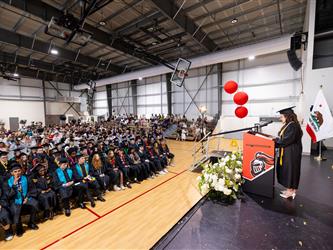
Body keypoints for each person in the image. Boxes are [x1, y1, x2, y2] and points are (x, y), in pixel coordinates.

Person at [275, 106, 303, 199]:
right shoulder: (290, 124)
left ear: (287, 116)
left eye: (281, 116)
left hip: (292, 152)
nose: (280, 118)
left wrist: (274, 142)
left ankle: (290, 191)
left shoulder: (293, 126)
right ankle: (291, 189)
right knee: (288, 170)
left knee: (291, 170)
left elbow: (286, 140)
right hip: (288, 151)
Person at [5, 163, 39, 237]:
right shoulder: (8, 182)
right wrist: (14, 184)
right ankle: (19, 228)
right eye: (15, 171)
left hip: (26, 198)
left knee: (34, 204)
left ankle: (31, 223)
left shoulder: (26, 178)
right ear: (11, 173)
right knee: (15, 210)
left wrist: (27, 197)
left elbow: (32, 189)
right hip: (15, 201)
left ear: (21, 171)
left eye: (19, 171)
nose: (18, 173)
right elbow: (9, 195)